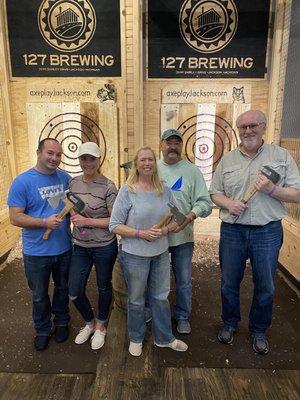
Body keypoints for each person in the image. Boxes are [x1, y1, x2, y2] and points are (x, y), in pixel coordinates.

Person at [210, 109, 300, 355]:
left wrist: (273, 190)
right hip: (233, 231)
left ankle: (258, 329)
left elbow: (297, 193)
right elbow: (214, 193)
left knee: (266, 285)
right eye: (243, 127)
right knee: (229, 282)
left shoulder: (280, 156)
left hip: (267, 232)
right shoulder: (227, 160)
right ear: (238, 131)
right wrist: (228, 204)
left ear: (263, 126)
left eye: (253, 126)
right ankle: (229, 323)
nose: (248, 131)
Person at [109, 146, 188, 356]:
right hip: (134, 254)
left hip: (160, 253)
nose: (147, 163)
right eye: (142, 160)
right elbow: (114, 225)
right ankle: (136, 337)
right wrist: (141, 233)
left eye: (150, 159)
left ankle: (164, 338)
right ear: (136, 164)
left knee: (161, 296)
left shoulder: (164, 189)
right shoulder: (128, 191)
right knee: (136, 298)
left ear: (155, 163)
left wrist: (165, 230)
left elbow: (176, 218)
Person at [7, 138, 72, 351]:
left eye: (58, 155)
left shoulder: (65, 178)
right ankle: (43, 329)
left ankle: (61, 322)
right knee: (38, 294)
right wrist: (44, 222)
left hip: (63, 249)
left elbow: (73, 206)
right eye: (50, 153)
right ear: (39, 152)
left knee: (63, 288)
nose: (54, 158)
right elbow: (15, 218)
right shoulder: (23, 182)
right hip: (37, 252)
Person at [157, 129, 213, 334]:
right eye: (168, 142)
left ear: (181, 146)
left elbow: (205, 203)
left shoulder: (192, 171)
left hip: (183, 237)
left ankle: (182, 315)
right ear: (161, 145)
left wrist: (190, 216)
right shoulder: (150, 168)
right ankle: (156, 313)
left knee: (183, 280)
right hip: (157, 237)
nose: (173, 146)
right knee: (156, 279)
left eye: (176, 143)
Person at [68, 142, 118, 350]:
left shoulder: (108, 186)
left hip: (104, 246)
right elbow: (70, 206)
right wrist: (73, 215)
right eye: (83, 158)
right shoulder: (73, 183)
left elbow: (115, 220)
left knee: (104, 286)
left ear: (99, 160)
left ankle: (101, 326)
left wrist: (86, 221)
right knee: (75, 291)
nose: (87, 163)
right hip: (80, 245)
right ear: (79, 160)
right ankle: (89, 323)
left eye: (92, 159)